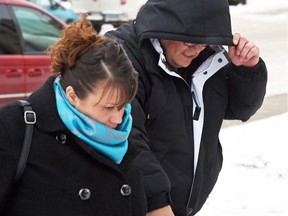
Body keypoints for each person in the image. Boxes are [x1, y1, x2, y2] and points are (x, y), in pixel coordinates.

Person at [105, 0, 268, 215]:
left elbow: (240, 109)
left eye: (203, 42)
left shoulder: (207, 54)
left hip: (181, 205)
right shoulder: (121, 56)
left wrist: (248, 70)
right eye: (190, 42)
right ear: (162, 25)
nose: (197, 49)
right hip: (134, 205)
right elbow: (124, 137)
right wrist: (156, 202)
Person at [0, 15, 169, 215]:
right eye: (108, 107)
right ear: (73, 96)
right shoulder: (14, 128)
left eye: (123, 105)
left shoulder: (121, 134)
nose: (118, 118)